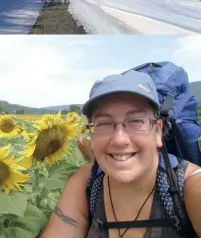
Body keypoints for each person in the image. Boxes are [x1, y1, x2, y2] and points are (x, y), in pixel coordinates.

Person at [41, 71, 201, 238]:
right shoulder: (85, 183)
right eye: (104, 123)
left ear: (158, 132)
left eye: (136, 121)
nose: (119, 139)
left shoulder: (190, 187)